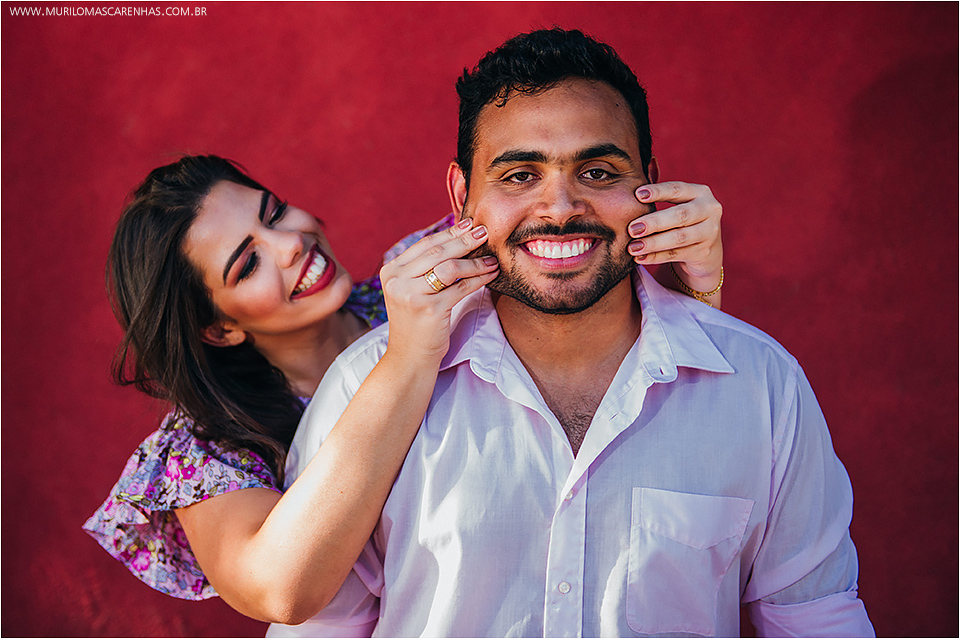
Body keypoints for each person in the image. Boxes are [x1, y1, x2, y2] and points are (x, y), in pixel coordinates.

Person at [275, 28, 874, 637]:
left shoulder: (762, 384)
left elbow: (816, 618)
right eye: (518, 176)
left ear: (650, 182)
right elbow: (318, 627)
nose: (560, 207)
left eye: (597, 171)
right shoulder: (365, 384)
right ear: (462, 195)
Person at [83, 153, 724, 624]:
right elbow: (279, 589)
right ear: (217, 327)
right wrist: (410, 353)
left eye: (274, 213)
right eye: (247, 262)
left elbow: (620, 338)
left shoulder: (427, 272)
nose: (288, 245)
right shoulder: (202, 451)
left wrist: (694, 277)